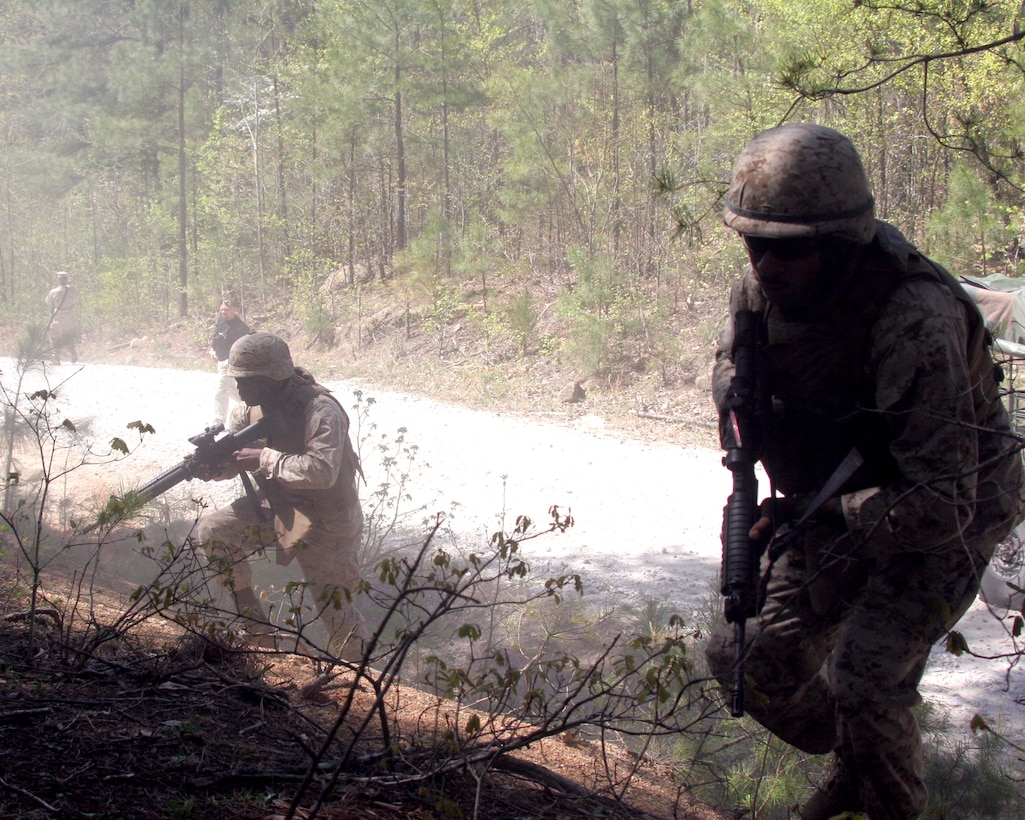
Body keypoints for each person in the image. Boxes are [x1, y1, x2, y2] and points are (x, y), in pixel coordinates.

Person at [705, 124, 1025, 820]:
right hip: (838, 494)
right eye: (753, 244)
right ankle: (857, 759)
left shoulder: (912, 317)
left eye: (787, 248)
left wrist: (816, 514)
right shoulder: (761, 296)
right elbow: (739, 390)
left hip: (953, 506)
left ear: (837, 239)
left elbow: (941, 505)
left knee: (867, 680)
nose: (764, 263)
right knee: (746, 660)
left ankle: (883, 794)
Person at [194, 331, 367, 661]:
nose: (240, 389)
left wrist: (263, 459)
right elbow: (238, 457)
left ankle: (359, 682)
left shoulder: (319, 409)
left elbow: (322, 471)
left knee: (338, 613)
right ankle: (258, 630)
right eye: (237, 380)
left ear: (272, 378)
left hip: (327, 525)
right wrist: (215, 467)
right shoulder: (249, 412)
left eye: (247, 381)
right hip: (283, 511)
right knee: (212, 532)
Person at [209, 296, 251, 425]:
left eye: (226, 309)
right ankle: (252, 407)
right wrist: (212, 350)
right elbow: (216, 338)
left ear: (234, 309)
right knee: (234, 391)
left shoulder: (241, 328)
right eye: (222, 309)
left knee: (220, 391)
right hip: (221, 362)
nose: (223, 312)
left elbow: (245, 347)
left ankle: (218, 422)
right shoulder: (221, 323)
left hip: (232, 363)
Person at [45, 270, 81, 364]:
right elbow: (77, 299)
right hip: (70, 315)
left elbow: (48, 302)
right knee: (68, 335)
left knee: (54, 336)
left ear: (59, 279)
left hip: (58, 316)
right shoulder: (72, 290)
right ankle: (73, 353)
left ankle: (55, 357)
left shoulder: (53, 291)